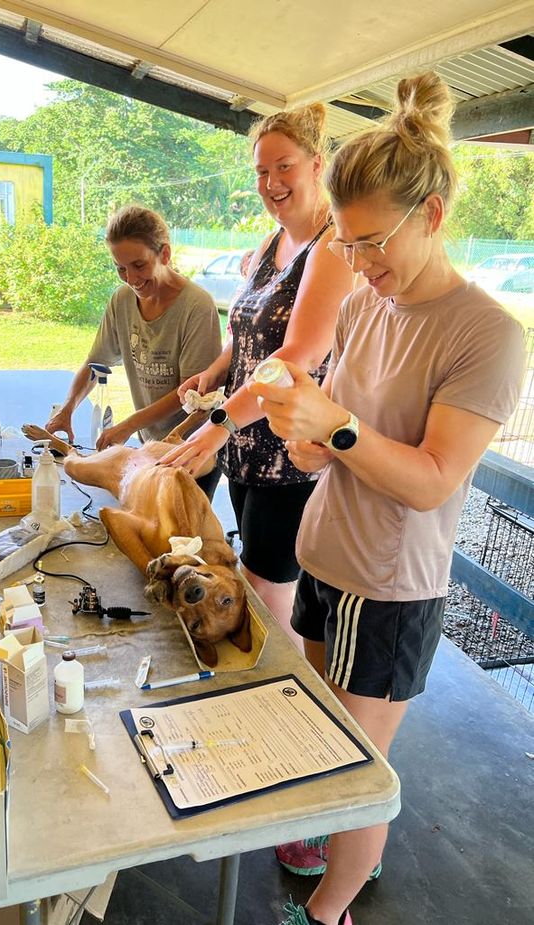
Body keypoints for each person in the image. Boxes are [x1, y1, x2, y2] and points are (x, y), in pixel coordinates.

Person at [249, 73, 526, 925]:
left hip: (392, 582)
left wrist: (333, 431)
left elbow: (435, 478)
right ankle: (332, 873)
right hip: (328, 555)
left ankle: (328, 910)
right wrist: (310, 436)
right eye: (346, 245)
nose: (360, 266)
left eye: (373, 243)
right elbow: (346, 434)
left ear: (433, 214)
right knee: (323, 736)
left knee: (357, 764)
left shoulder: (487, 334)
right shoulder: (372, 303)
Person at [158, 106, 353, 645]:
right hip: (245, 443)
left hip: (289, 451)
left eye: (283, 167)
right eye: (261, 173)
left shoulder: (333, 247)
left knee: (268, 595)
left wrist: (220, 422)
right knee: (250, 575)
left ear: (317, 165)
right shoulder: (270, 242)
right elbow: (243, 334)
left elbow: (299, 354)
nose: (271, 184)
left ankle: (276, 709)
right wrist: (212, 373)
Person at [46, 205, 222, 496]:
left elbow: (190, 394)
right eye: (121, 269)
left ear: (164, 254)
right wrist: (67, 409)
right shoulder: (122, 300)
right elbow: (95, 363)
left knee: (180, 537)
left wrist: (127, 425)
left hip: (193, 450)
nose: (130, 278)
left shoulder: (197, 306)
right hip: (148, 445)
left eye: (139, 265)